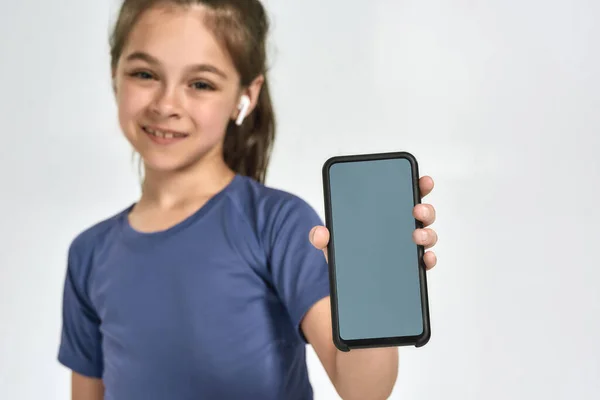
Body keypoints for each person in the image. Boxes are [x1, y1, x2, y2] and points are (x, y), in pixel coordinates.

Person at [57, 0, 439, 399]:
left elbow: (364, 390)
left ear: (246, 95)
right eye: (144, 74)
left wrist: (375, 285)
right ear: (114, 74)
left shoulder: (279, 224)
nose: (166, 105)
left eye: (200, 83)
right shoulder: (89, 253)